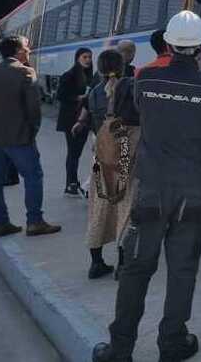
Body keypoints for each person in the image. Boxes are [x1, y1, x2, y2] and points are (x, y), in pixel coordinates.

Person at [93, 11, 201, 362]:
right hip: (193, 193)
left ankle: (119, 349)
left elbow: (142, 116)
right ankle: (173, 343)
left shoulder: (145, 80)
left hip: (152, 191)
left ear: (168, 44)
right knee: (183, 271)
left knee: (136, 270)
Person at [0, 35, 61, 237]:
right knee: (33, 176)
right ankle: (35, 221)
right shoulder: (26, 73)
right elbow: (34, 110)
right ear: (18, 51)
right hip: (20, 137)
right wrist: (32, 132)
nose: (29, 50)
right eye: (27, 47)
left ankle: (1, 224)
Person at [78, 49, 141, 280]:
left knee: (100, 208)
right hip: (127, 154)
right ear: (123, 66)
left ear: (99, 69)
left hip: (102, 157)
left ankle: (96, 263)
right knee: (125, 208)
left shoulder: (94, 93)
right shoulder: (133, 87)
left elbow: (93, 124)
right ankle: (123, 265)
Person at [57, 47, 93, 197]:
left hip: (84, 119)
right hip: (71, 119)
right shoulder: (69, 75)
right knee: (73, 152)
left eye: (90, 57)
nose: (88, 60)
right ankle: (70, 184)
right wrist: (79, 98)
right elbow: (60, 95)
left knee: (76, 153)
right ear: (77, 58)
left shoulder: (90, 76)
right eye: (85, 57)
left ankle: (72, 182)